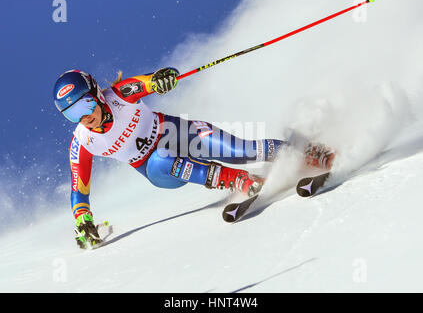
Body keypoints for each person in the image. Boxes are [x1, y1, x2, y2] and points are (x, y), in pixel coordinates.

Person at [53, 68, 335, 249]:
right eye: (72, 115)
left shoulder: (119, 95)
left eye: (86, 104)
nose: (85, 117)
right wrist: (83, 219)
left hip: (176, 132)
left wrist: (162, 80)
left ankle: (309, 153)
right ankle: (236, 180)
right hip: (157, 170)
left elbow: (145, 83)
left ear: (97, 94)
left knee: (241, 150)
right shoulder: (83, 142)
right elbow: (80, 188)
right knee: (161, 158)